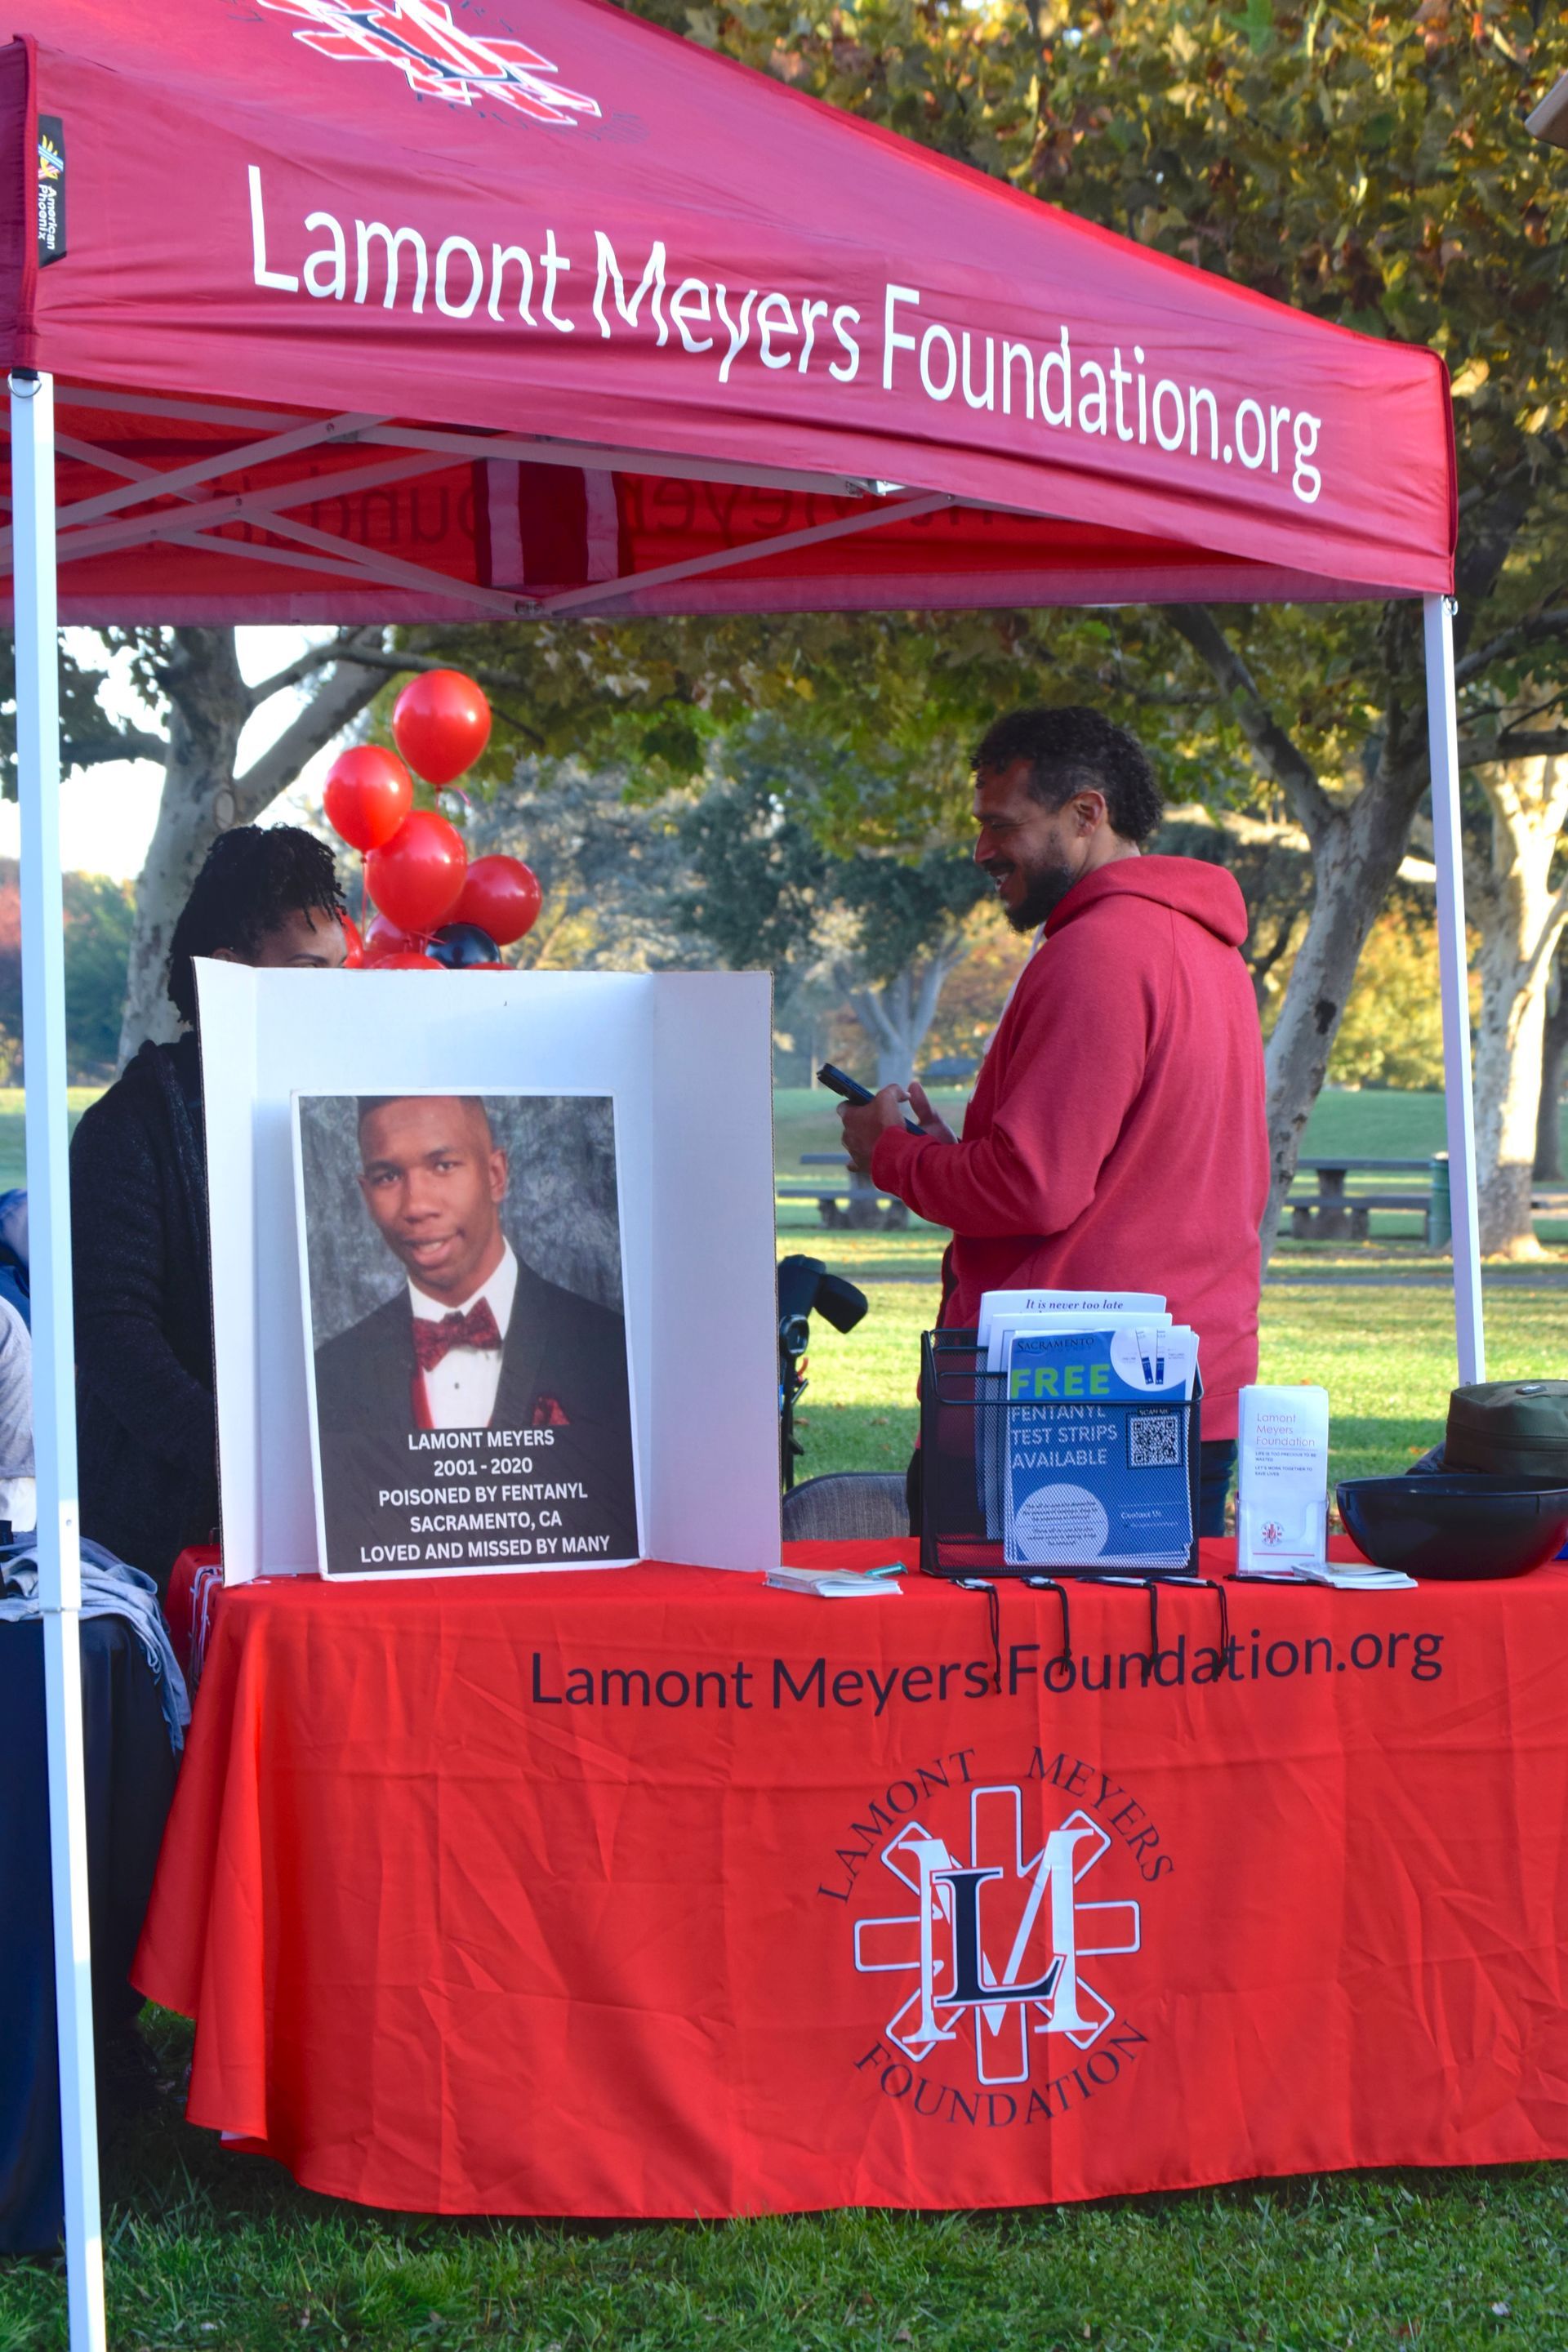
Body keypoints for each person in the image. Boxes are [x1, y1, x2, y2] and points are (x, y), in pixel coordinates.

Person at [837, 706, 1268, 1539]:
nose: (982, 851)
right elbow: (1114, 1178)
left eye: (1003, 825)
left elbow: (1033, 1190)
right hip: (1180, 1383)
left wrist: (890, 1154)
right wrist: (952, 1158)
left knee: (1014, 1666)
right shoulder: (1206, 949)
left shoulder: (1099, 952)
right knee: (1154, 1666)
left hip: (1067, 1403)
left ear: (1086, 814)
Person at [70, 826, 348, 1597]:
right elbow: (114, 1335)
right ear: (228, 977)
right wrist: (248, 1460)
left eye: (341, 973)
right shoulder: (127, 1130)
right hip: (164, 1535)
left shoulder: (353, 1111)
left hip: (332, 1522)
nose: (332, 995)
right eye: (305, 971)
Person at [310, 1094, 638, 1561]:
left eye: (443, 1166)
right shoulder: (330, 1378)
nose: (417, 1205)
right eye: (388, 1176)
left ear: (495, 1175)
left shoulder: (611, 1351)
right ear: (365, 1194)